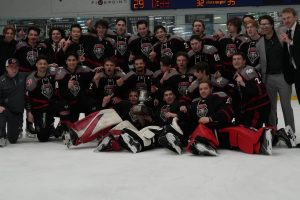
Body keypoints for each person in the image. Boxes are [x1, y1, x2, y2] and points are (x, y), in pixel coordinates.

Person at [256, 15, 295, 143]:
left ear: (272, 24)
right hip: (268, 79)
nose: (264, 26)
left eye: (266, 24)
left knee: (286, 106)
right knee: (271, 108)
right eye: (261, 24)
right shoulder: (259, 43)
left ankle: (291, 133)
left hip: (283, 76)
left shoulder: (281, 34)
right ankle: (272, 133)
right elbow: (262, 62)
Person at [25, 56, 57, 142]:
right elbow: (28, 97)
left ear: (48, 65)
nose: (42, 66)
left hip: (52, 104)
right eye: (40, 64)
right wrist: (29, 112)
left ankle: (60, 126)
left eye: (45, 64)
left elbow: (67, 68)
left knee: (65, 105)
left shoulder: (53, 72)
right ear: (36, 65)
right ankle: (48, 125)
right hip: (39, 108)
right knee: (43, 137)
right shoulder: (31, 79)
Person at [0, 58, 27, 147]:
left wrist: (49, 68)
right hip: (5, 109)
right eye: (11, 67)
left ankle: (13, 132)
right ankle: (1, 137)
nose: (14, 69)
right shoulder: (1, 80)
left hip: (17, 113)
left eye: (16, 67)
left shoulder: (23, 76)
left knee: (13, 139)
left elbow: (37, 73)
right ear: (6, 68)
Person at [280, 8, 300, 105]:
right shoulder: (287, 32)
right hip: (296, 73)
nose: (286, 20)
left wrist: (290, 42)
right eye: (284, 19)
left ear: (295, 17)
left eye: (289, 18)